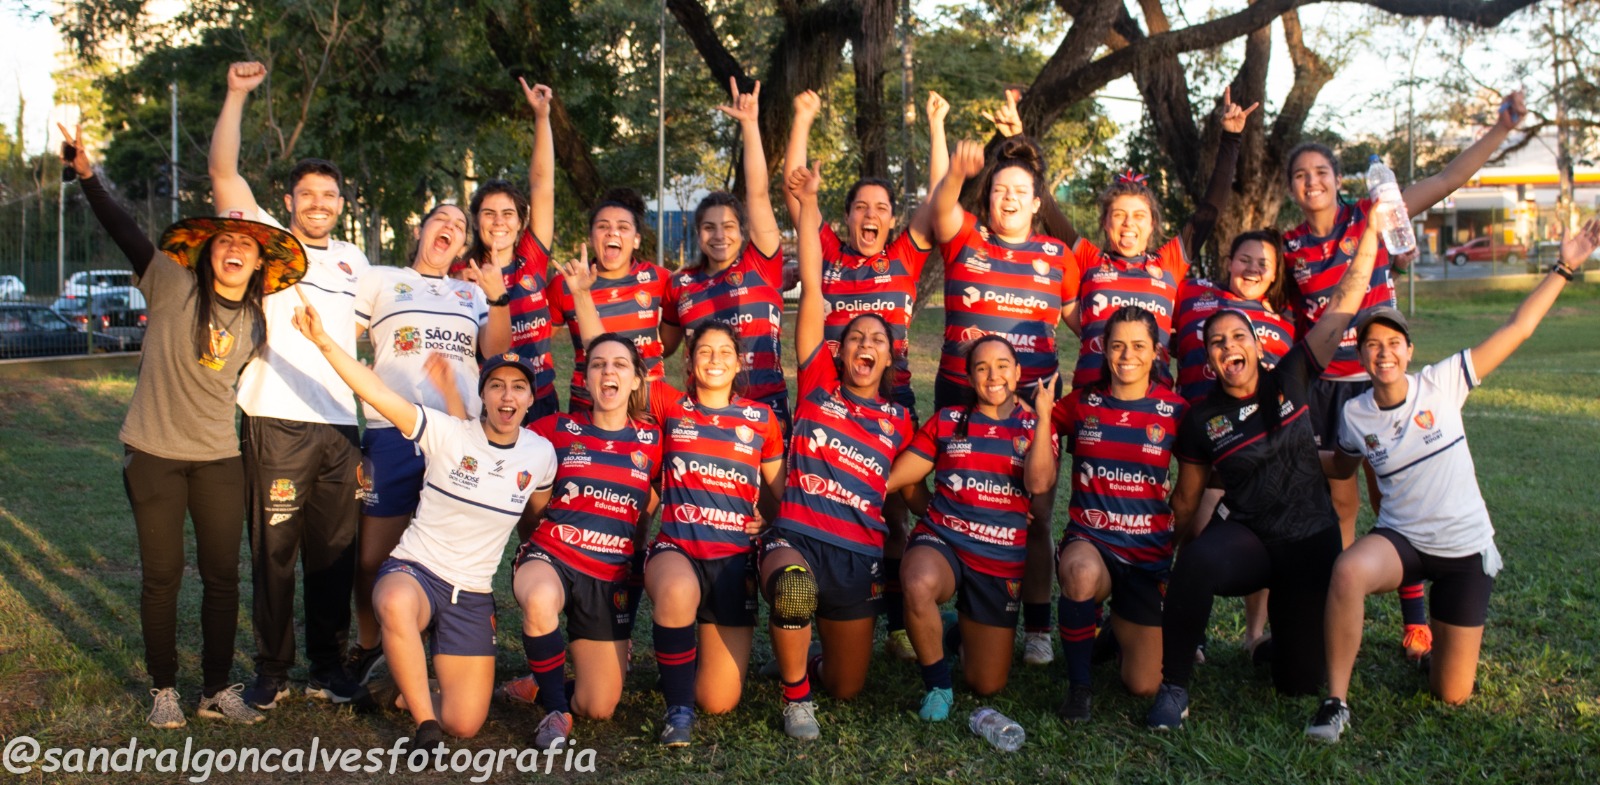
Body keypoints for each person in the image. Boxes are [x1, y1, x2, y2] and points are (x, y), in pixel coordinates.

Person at [1304, 219, 1599, 742]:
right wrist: (1286, 452)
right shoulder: (1355, 415)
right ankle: (1335, 702)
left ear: (1409, 351)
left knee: (1451, 694)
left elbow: (1517, 329)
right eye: (1372, 345)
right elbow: (1341, 466)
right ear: (1363, 357)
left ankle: (1438, 654)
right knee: (1348, 571)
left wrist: (1565, 266)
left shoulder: (1443, 382)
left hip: (1465, 551)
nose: (1384, 352)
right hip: (1405, 542)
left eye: (1393, 342)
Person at [66, 122, 307, 728]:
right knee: (163, 575)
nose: (234, 250)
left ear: (258, 264)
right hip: (152, 451)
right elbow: (124, 230)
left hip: (218, 458)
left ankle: (217, 688)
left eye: (247, 247)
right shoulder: (171, 284)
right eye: (225, 240)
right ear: (210, 249)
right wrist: (89, 177)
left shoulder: (258, 320)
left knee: (224, 575)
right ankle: (164, 689)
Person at [1283, 89, 1527, 658]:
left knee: (1393, 498)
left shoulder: (1372, 214)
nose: (1311, 181)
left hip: (1377, 379)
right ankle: (1339, 612)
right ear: (1290, 186)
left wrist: (1499, 129)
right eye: (1300, 174)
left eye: (1321, 171)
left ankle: (1415, 619)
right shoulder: (1288, 244)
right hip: (1326, 389)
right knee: (1341, 505)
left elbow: (1446, 179)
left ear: (1339, 179)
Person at [1145, 219, 1381, 731]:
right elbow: (1186, 503)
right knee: (1199, 563)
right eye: (1215, 343)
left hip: (1310, 542)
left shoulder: (1291, 375)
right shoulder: (1202, 419)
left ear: (1255, 345)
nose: (1228, 347)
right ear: (1208, 359)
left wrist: (1372, 232)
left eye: (1237, 337)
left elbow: (1345, 298)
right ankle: (1174, 688)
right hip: (1250, 538)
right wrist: (1161, 555)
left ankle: (1280, 642)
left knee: (1300, 682)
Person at [292, 292, 555, 750]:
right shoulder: (447, 431)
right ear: (484, 396)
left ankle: (408, 685)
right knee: (392, 599)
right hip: (417, 570)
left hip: (471, 594)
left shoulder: (540, 454)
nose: (506, 394)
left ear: (530, 399)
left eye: (517, 386)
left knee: (466, 722)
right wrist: (324, 343)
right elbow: (375, 392)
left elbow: (536, 518)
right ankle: (423, 726)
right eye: (496, 385)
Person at [562, 256, 785, 748]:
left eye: (724, 351)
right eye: (703, 351)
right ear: (689, 360)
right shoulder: (669, 403)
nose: (713, 359)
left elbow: (780, 493)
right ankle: (676, 711)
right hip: (677, 550)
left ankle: (685, 674)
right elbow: (611, 355)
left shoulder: (761, 418)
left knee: (721, 700)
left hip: (733, 562)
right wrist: (582, 296)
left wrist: (769, 527)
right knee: (678, 593)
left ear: (738, 361)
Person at [208, 60, 374, 707]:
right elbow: (224, 171)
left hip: (339, 426)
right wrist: (236, 93)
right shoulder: (267, 239)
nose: (319, 205)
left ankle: (329, 667)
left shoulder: (354, 260)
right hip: (273, 420)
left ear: (341, 204)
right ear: (289, 202)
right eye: (308, 195)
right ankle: (273, 670)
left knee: (332, 554)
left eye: (329, 197)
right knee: (274, 551)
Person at [781, 88, 948, 661]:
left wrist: (935, 127)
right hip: (828, 400)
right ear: (847, 216)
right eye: (860, 207)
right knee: (827, 502)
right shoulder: (828, 253)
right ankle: (819, 600)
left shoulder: (903, 256)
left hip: (889, 405)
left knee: (894, 510)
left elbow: (941, 200)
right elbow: (798, 194)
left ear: (892, 218)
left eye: (881, 208)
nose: (871, 215)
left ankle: (898, 621)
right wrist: (802, 119)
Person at [756, 163, 913, 740]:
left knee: (848, 685)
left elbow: (918, 476)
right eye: (854, 339)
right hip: (798, 538)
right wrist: (809, 207)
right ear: (838, 350)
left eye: (877, 340)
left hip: (857, 555)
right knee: (794, 587)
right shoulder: (818, 381)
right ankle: (796, 696)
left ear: (891, 359)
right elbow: (815, 288)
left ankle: (801, 658)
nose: (865, 345)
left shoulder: (899, 421)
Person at [349, 203, 512, 673]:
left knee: (452, 549)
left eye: (460, 226)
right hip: (393, 429)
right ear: (421, 229)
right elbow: (345, 334)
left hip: (460, 433)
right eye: (442, 219)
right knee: (372, 557)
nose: (451, 228)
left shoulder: (470, 292)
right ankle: (368, 644)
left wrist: (497, 299)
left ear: (462, 246)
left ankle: (443, 649)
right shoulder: (379, 279)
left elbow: (495, 351)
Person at [928, 134, 1072, 665]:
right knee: (964, 504)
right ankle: (969, 605)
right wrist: (956, 175)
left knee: (1035, 512)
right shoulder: (966, 236)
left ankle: (1037, 625)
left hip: (1033, 401)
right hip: (961, 394)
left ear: (1038, 204)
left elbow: (1086, 319)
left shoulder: (1057, 255)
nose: (1008, 198)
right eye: (999, 190)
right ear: (987, 197)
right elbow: (941, 208)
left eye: (1020, 191)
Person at [887, 337, 1058, 721]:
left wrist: (1045, 418)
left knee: (986, 683)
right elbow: (903, 475)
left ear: (1017, 373)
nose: (993, 375)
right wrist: (881, 492)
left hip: (998, 557)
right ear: (969, 377)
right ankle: (937, 686)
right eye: (982, 368)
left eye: (1002, 366)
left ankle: (952, 632)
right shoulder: (949, 420)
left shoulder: (1035, 426)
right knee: (917, 581)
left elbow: (1039, 486)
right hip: (944, 539)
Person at [510, 333, 662, 749]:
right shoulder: (557, 429)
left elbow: (650, 512)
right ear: (586, 377)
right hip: (554, 555)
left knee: (599, 706)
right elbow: (499, 441)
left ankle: (543, 679)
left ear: (635, 380)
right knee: (540, 598)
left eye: (619, 364)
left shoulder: (653, 441)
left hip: (609, 575)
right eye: (597, 364)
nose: (607, 371)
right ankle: (555, 712)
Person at [1063, 88, 1256, 391]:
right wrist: (1019, 143)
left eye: (1139, 216)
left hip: (1156, 404)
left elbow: (1211, 209)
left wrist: (1231, 139)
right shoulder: (1090, 259)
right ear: (1104, 223)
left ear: (1152, 224)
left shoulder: (1169, 261)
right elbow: (1045, 208)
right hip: (1091, 402)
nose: (1128, 223)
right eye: (1118, 215)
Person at [1052, 306, 1188, 722]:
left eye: (1138, 346)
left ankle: (1113, 631)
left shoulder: (1175, 410)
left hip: (1147, 555)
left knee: (1143, 684)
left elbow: (1197, 479)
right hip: (1093, 542)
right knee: (1078, 572)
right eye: (1117, 346)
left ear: (1155, 353)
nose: (1127, 355)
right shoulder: (1081, 405)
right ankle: (1079, 688)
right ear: (1104, 351)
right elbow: (1031, 429)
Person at [1171, 229, 1298, 654]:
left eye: (1264, 264)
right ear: (1229, 262)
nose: (1253, 269)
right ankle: (1194, 629)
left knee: (1259, 529)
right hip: (1198, 439)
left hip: (1253, 450)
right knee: (1193, 526)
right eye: (1245, 259)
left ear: (1275, 274)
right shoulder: (1192, 299)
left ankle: (1253, 633)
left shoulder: (1282, 324)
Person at [663, 78, 790, 431]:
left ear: (744, 231)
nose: (719, 235)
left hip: (765, 407)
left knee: (770, 490)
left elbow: (760, 193)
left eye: (729, 226)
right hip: (702, 411)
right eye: (709, 228)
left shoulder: (761, 263)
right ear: (698, 233)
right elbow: (662, 347)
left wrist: (750, 125)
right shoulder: (682, 284)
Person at [456, 78, 562, 422]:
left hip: (541, 398)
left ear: (520, 223)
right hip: (488, 406)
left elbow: (542, 185)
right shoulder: (460, 272)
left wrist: (542, 117)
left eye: (507, 214)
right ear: (476, 220)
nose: (498, 222)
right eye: (489, 213)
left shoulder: (530, 258)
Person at [548, 187, 671, 410]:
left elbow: (673, 337)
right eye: (603, 226)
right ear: (591, 236)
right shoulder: (565, 284)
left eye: (623, 227)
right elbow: (537, 341)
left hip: (647, 403)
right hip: (587, 403)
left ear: (636, 240)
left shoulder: (658, 278)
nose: (612, 233)